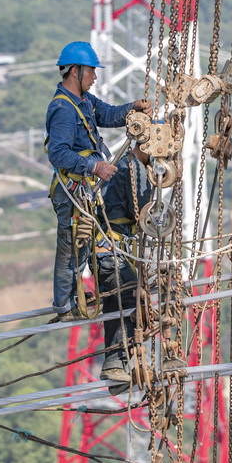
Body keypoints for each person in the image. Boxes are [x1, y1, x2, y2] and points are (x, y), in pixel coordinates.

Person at [45, 41, 150, 322]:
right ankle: (64, 307)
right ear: (75, 71)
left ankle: (71, 300)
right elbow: (58, 154)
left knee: (80, 247)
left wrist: (132, 108)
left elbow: (106, 114)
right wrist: (95, 166)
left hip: (84, 191)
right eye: (91, 71)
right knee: (71, 247)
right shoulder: (63, 110)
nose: (95, 76)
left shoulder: (84, 101)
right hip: (72, 191)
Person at [93, 144, 151, 382]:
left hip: (101, 251)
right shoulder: (133, 168)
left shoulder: (115, 165)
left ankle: (114, 371)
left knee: (114, 306)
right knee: (130, 296)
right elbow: (143, 213)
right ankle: (117, 364)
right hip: (111, 252)